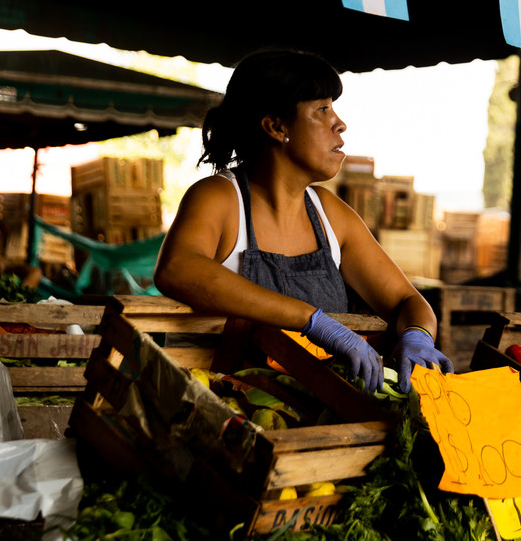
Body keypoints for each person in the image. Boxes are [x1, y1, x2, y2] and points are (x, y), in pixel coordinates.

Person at [153, 48, 453, 393]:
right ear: (276, 127)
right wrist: (312, 321)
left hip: (318, 409)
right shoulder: (219, 198)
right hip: (226, 409)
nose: (339, 123)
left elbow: (407, 301)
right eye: (322, 109)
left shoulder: (330, 215)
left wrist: (417, 335)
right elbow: (177, 269)